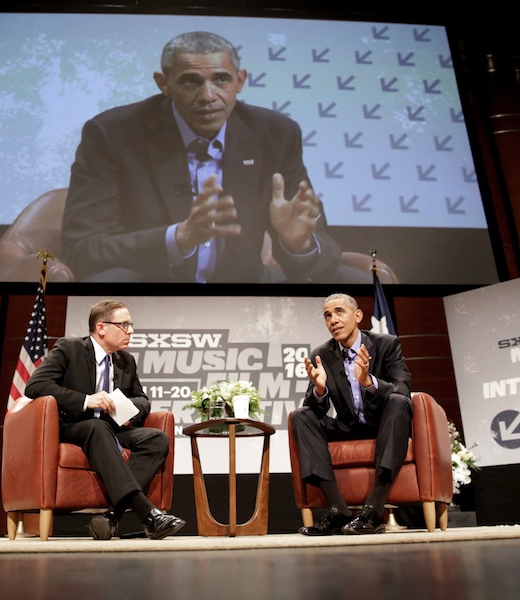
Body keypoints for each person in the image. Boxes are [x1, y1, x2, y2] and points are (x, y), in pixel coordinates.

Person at [62, 31, 370, 284]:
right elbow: (83, 248)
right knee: (109, 283)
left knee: (356, 282)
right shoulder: (113, 134)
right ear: (163, 83)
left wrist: (296, 242)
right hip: (150, 281)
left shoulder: (275, 133)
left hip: (245, 283)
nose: (209, 96)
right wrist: (178, 238)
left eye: (221, 80)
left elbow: (319, 245)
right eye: (191, 81)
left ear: (241, 80)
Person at [24, 299, 186, 540]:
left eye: (130, 325)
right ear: (101, 328)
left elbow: (143, 400)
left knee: (157, 439)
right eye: (124, 325)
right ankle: (148, 515)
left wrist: (126, 409)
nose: (130, 331)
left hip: (112, 428)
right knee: (97, 426)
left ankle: (111, 516)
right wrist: (86, 400)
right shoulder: (69, 348)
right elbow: (35, 386)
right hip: (73, 426)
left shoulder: (125, 361)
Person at [290, 293, 413, 535]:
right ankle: (338, 510)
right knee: (301, 415)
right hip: (349, 426)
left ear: (357, 316)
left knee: (399, 402)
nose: (333, 320)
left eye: (339, 312)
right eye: (327, 315)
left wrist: (369, 382)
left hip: (384, 424)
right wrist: (320, 389)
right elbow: (315, 408)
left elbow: (403, 388)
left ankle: (374, 509)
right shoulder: (322, 354)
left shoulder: (386, 344)